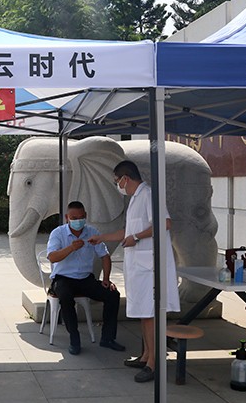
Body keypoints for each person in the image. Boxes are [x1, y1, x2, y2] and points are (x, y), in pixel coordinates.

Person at [88, 160, 180, 383]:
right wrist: (101, 237)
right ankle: (146, 355)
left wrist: (137, 237)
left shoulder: (148, 195)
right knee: (143, 314)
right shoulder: (134, 200)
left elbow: (165, 223)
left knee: (150, 315)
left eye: (117, 181)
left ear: (125, 179)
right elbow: (126, 232)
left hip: (150, 269)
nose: (117, 186)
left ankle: (153, 364)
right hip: (140, 269)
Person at [47, 201, 125, 356]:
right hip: (63, 278)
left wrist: (106, 279)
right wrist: (71, 248)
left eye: (81, 217)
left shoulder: (92, 232)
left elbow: (105, 256)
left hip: (85, 279)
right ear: (67, 218)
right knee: (65, 297)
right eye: (74, 218)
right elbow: (52, 257)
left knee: (112, 295)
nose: (78, 221)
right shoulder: (58, 233)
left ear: (86, 216)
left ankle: (108, 338)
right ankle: (74, 339)